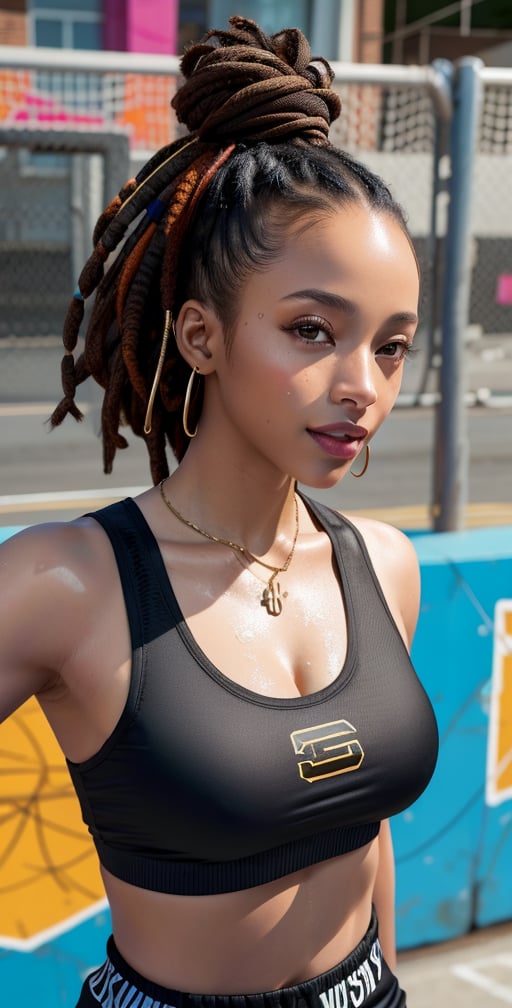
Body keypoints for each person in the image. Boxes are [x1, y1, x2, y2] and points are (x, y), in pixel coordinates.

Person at [0, 16, 438, 1008]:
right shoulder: (66, 583)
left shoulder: (381, 564)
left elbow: (365, 838)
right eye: (311, 330)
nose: (359, 385)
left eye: (389, 346)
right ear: (199, 334)